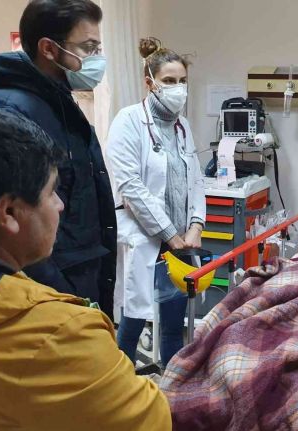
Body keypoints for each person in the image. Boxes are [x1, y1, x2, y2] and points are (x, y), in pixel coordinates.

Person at [0, 103, 170, 431]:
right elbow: (152, 422)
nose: (60, 205)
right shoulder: (56, 335)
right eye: (51, 192)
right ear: (9, 213)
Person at [0, 0, 116, 318]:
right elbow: (8, 223)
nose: (97, 59)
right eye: (88, 48)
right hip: (47, 294)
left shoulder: (58, 104)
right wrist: (59, 298)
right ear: (48, 48)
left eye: (98, 48)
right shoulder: (9, 111)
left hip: (76, 278)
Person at [106, 37, 206, 366]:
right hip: (146, 237)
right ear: (150, 83)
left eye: (182, 81)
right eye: (169, 81)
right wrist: (170, 235)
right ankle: (120, 384)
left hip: (180, 241)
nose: (178, 88)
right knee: (133, 321)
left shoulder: (182, 126)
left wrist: (196, 225)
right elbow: (131, 187)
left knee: (173, 324)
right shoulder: (128, 121)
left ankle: (171, 385)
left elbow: (195, 178)